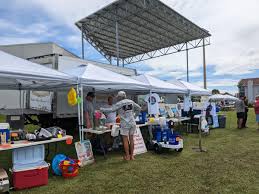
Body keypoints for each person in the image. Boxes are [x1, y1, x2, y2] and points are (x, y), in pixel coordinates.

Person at [101, 91, 141, 161]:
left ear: (119, 97)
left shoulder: (119, 103)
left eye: (118, 97)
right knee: (131, 139)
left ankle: (127, 156)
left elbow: (111, 110)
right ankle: (132, 156)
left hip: (125, 123)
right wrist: (135, 116)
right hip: (132, 123)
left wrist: (101, 109)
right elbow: (139, 108)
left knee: (125, 139)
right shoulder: (130, 101)